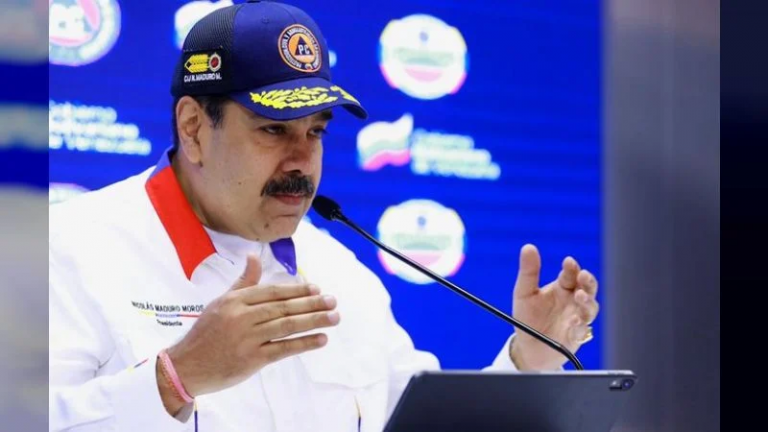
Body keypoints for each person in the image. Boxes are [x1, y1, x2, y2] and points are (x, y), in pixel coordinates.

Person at [49, 1, 600, 431]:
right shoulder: (69, 251)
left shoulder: (341, 274)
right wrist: (177, 378)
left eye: (315, 132)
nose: (302, 161)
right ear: (193, 128)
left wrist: (529, 360)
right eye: (273, 130)